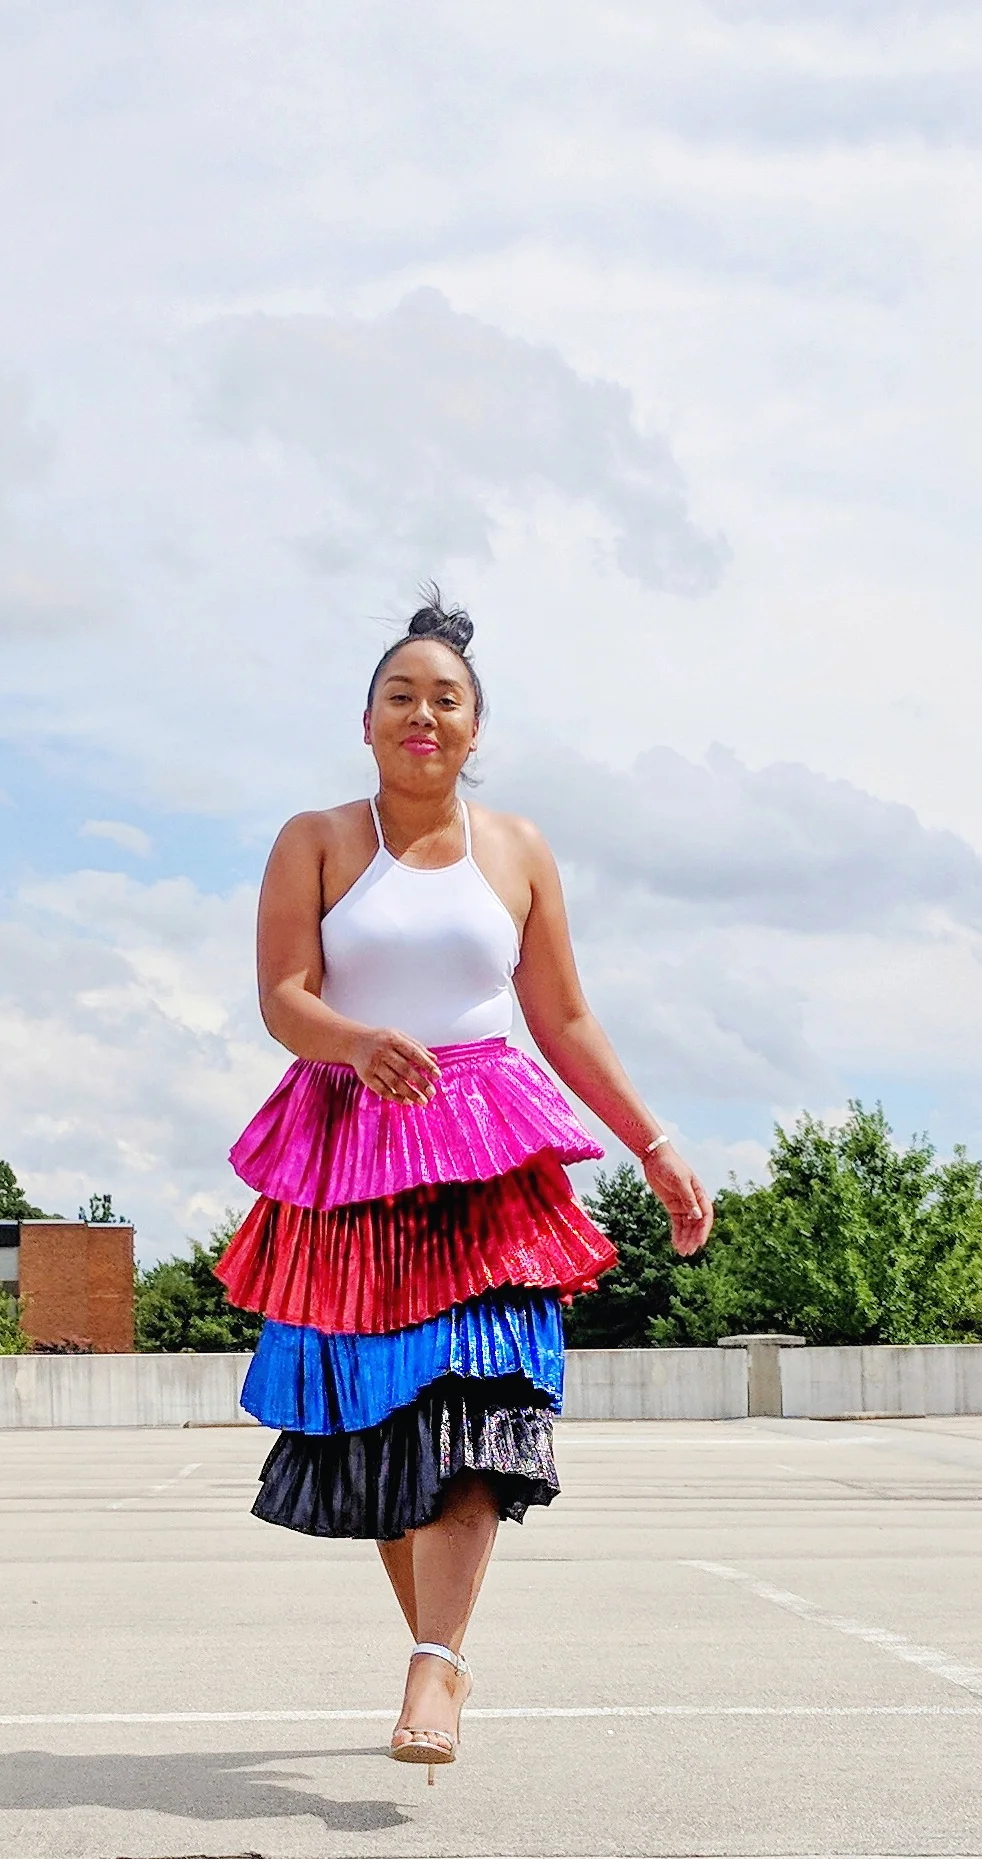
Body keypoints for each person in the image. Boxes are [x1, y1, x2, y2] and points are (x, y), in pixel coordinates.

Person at [216, 590, 713, 1776]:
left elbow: (564, 1017)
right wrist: (352, 1043)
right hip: (354, 1160)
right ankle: (437, 1651)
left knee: (483, 1407)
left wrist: (653, 1143)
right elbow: (282, 995)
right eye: (401, 696)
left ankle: (435, 1660)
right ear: (367, 721)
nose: (422, 715)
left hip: (488, 1160)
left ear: (474, 728)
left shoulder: (518, 850)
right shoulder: (316, 839)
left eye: (446, 699)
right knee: (382, 1430)